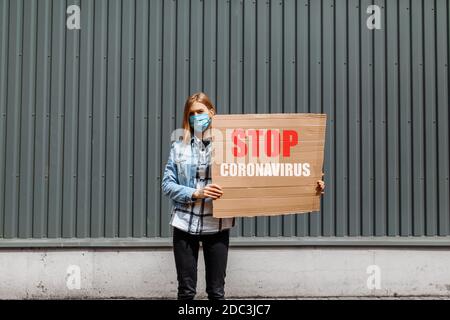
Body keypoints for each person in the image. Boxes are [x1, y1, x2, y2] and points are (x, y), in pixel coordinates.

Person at [161, 92, 325, 300]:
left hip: (217, 225)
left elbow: (266, 173)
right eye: (191, 114)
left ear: (211, 112)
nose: (196, 117)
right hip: (184, 223)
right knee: (186, 292)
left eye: (200, 112)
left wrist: (309, 185)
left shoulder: (233, 144)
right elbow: (167, 185)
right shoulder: (178, 147)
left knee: (216, 292)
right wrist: (196, 192)